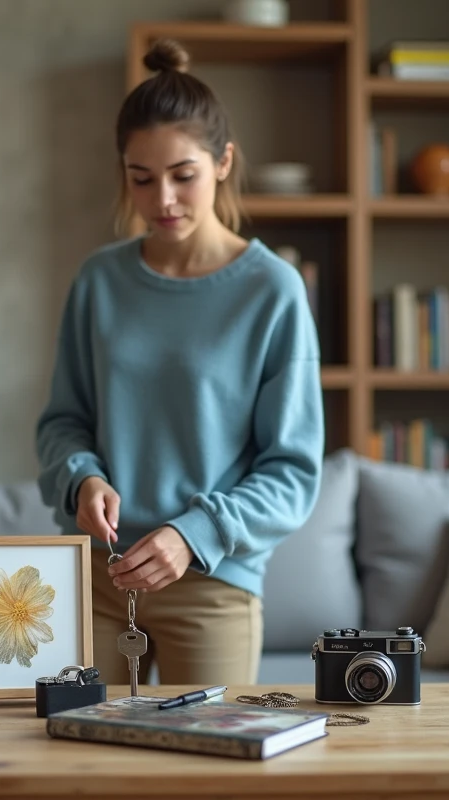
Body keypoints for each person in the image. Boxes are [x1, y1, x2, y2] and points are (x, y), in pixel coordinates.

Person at [35, 38, 323, 687]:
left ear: (223, 163)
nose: (162, 198)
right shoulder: (99, 281)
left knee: (210, 753)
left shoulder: (272, 290)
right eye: (141, 178)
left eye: (182, 175)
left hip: (213, 584)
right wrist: (81, 480)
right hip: (98, 576)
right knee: (77, 747)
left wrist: (195, 533)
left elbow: (293, 471)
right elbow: (62, 422)